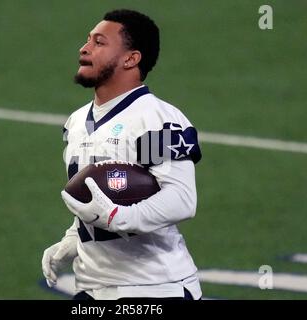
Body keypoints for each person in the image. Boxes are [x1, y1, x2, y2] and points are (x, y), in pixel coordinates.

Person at [42, 9, 203, 300]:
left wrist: (118, 216)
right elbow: (100, 196)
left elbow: (182, 199)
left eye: (99, 42)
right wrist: (74, 239)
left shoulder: (154, 120)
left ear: (131, 58)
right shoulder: (77, 122)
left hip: (153, 289)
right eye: (88, 39)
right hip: (91, 287)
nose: (85, 47)